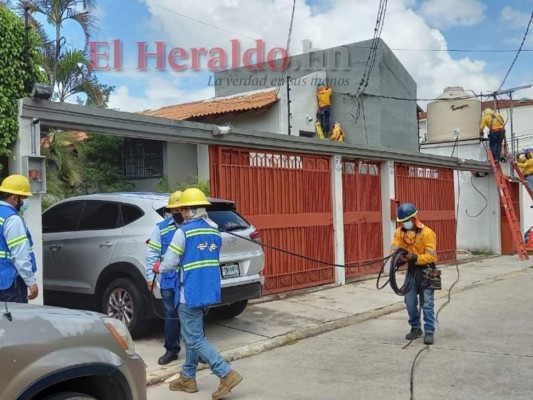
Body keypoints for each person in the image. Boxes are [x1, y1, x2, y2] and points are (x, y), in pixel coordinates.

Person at [158, 188, 242, 399]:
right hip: (209, 291)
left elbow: (169, 263)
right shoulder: (214, 231)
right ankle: (188, 378)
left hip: (190, 293)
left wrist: (158, 267)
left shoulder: (183, 232)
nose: (181, 213)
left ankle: (225, 373)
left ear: (187, 210)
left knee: (194, 338)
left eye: (182, 209)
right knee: (192, 335)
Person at [391, 202, 438, 345]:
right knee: (409, 301)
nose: (405, 223)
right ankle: (415, 328)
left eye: (407, 221)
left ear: (414, 218)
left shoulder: (428, 233)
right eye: (402, 221)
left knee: (427, 303)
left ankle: (429, 331)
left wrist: (415, 257)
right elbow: (394, 250)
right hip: (412, 271)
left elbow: (432, 257)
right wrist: (398, 258)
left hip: (429, 270)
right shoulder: (400, 232)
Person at [145, 190, 183, 365]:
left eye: (181, 209)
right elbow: (152, 253)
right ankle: (171, 350)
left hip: (188, 280)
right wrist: (149, 278)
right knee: (171, 315)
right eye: (175, 210)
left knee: (193, 316)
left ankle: (198, 351)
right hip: (169, 279)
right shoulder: (161, 229)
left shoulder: (192, 228)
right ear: (170, 211)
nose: (178, 213)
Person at [0, 174, 38, 303]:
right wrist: (31, 282)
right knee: (15, 321)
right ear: (14, 197)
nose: (24, 202)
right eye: (24, 198)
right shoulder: (13, 219)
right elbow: (20, 254)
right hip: (11, 283)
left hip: (2, 280)